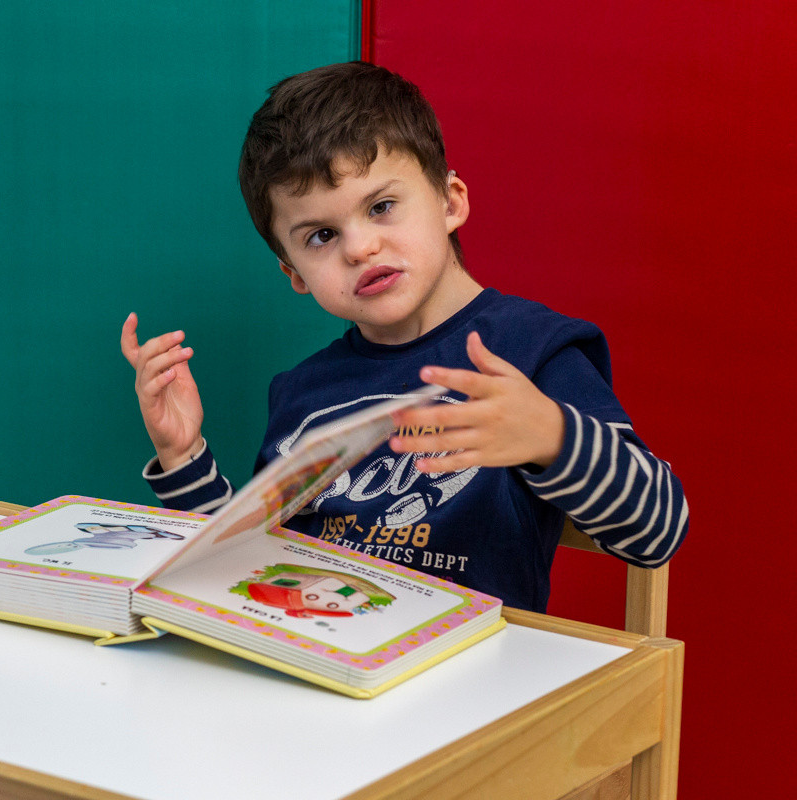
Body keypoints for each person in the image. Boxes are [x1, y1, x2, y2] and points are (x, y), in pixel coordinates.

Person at [119, 61, 687, 612]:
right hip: (323, 664)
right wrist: (182, 454)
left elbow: (658, 531)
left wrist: (553, 437)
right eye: (320, 236)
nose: (359, 247)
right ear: (293, 273)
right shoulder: (303, 392)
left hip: (467, 685)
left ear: (450, 201)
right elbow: (248, 573)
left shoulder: (533, 350)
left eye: (382, 206)